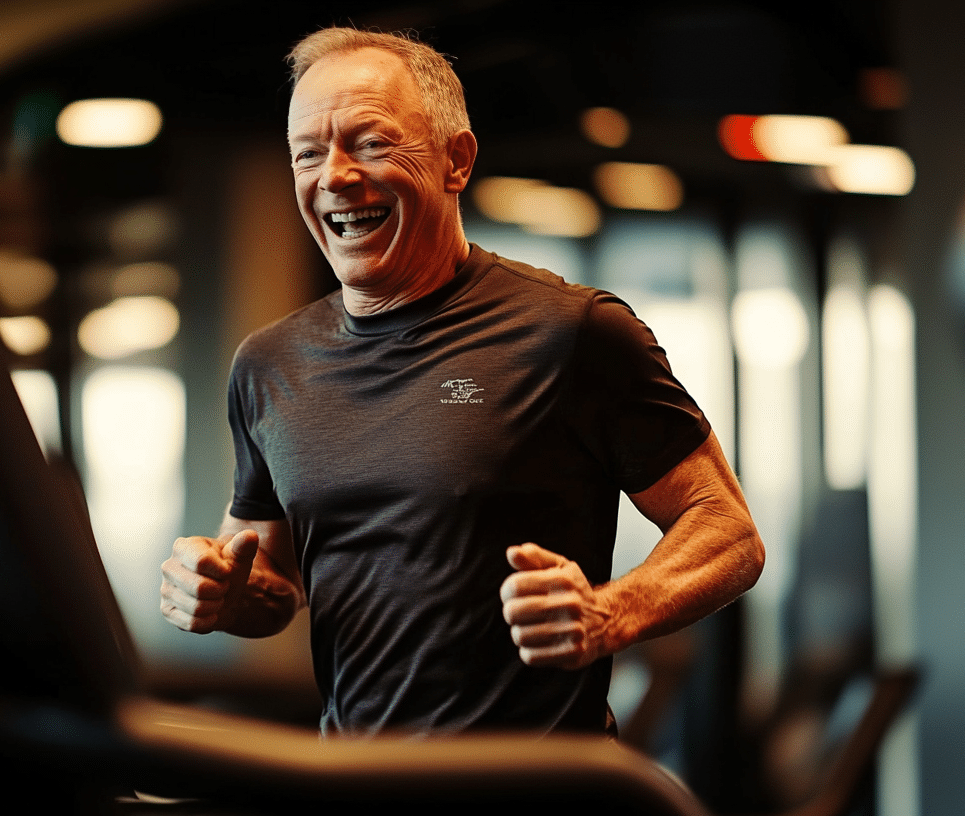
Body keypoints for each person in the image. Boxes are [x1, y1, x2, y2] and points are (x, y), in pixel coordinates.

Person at [159, 26, 764, 738]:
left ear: (456, 160)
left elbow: (726, 531)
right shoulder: (269, 363)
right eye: (308, 154)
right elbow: (272, 583)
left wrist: (612, 612)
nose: (335, 177)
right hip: (357, 784)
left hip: (532, 786)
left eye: (372, 143)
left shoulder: (572, 332)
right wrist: (220, 592)